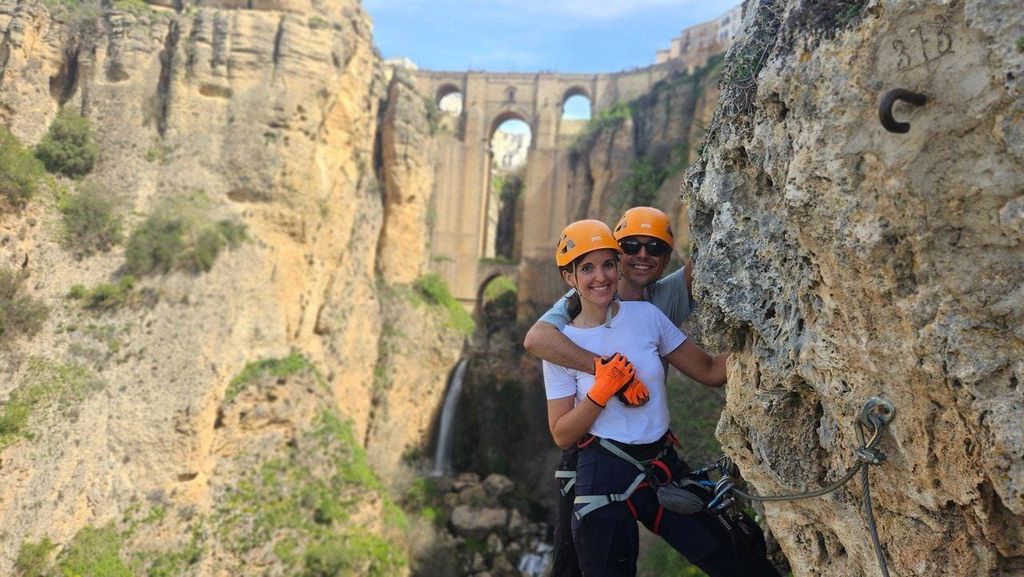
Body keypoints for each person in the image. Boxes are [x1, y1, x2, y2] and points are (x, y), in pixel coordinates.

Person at [541, 219, 781, 577]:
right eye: (586, 268)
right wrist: (601, 390)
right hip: (604, 473)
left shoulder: (648, 317)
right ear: (569, 278)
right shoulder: (561, 345)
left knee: (743, 564)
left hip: (662, 467)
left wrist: (773, 340)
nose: (600, 277)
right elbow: (562, 434)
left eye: (608, 264)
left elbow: (711, 370)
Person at [523, 207, 693, 577]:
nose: (642, 256)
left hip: (651, 447)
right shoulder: (577, 304)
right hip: (592, 452)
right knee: (574, 565)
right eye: (631, 246)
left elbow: (713, 262)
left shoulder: (662, 300)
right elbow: (536, 338)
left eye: (655, 248)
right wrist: (609, 377)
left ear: (668, 257)